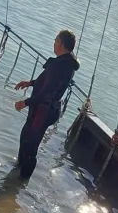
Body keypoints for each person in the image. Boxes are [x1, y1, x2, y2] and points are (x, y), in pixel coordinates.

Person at [14, 29, 79, 179]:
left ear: (62, 45)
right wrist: (30, 83)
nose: (54, 43)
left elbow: (47, 92)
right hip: (43, 108)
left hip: (44, 109)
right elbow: (47, 82)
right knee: (25, 137)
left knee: (31, 145)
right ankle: (17, 170)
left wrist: (24, 103)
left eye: (56, 40)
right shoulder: (64, 62)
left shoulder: (61, 65)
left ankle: (21, 181)